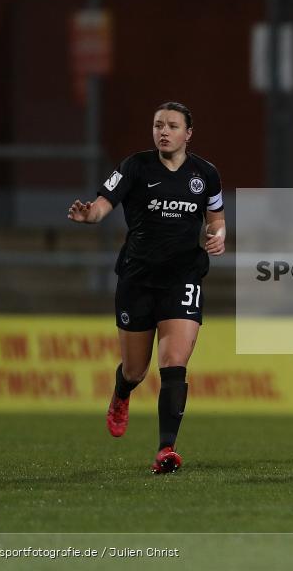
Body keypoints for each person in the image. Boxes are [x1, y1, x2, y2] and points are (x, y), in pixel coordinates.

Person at [68, 101, 226, 474]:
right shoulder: (135, 166)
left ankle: (166, 450)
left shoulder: (205, 174)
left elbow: (216, 218)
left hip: (183, 277)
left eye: (172, 125)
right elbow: (103, 204)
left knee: (173, 363)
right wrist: (89, 215)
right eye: (158, 125)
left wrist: (217, 237)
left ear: (188, 133)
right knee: (136, 370)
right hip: (138, 279)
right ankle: (122, 393)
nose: (163, 131)